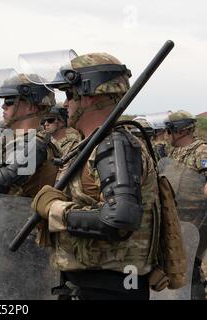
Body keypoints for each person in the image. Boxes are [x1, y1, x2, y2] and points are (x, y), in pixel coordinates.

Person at [30, 52, 183, 299]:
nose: (65, 103)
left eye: (70, 94)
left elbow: (120, 218)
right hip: (90, 284)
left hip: (107, 287)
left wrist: (55, 210)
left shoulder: (114, 145)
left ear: (90, 97)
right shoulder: (92, 144)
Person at [165, 110, 207, 299]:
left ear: (179, 131)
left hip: (196, 222)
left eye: (169, 130)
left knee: (191, 268)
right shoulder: (173, 152)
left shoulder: (202, 151)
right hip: (175, 221)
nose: (166, 135)